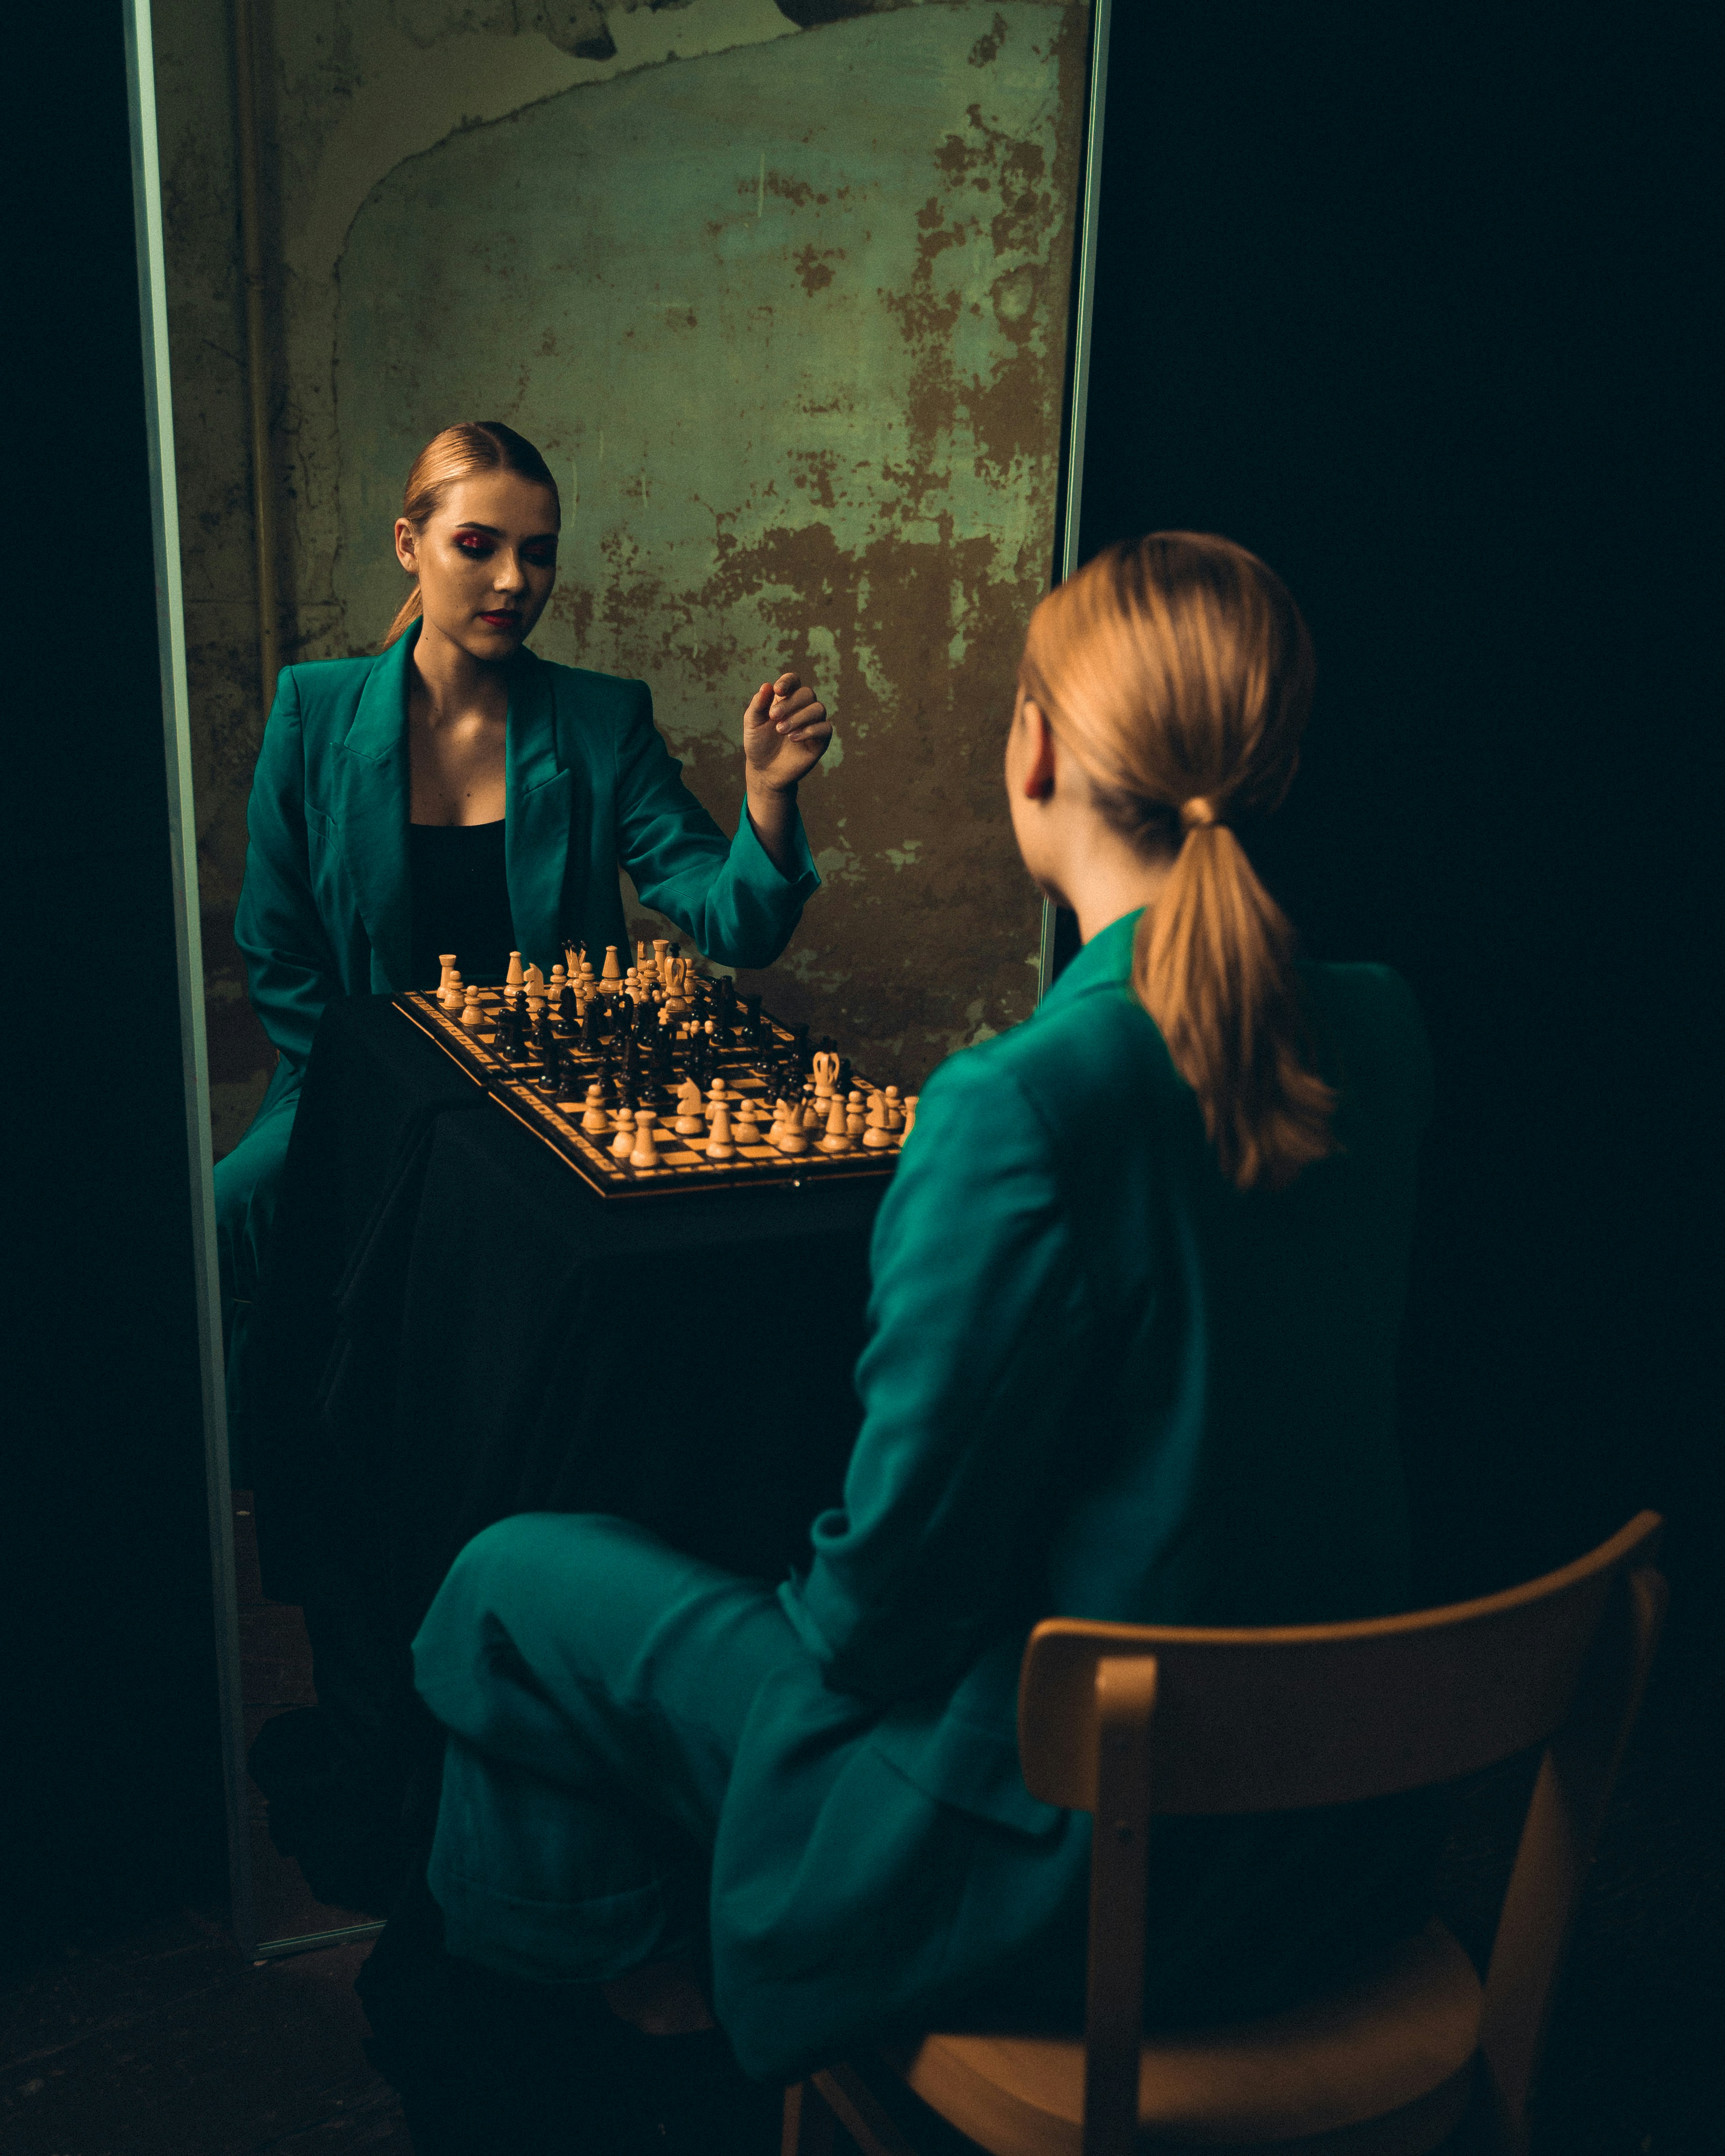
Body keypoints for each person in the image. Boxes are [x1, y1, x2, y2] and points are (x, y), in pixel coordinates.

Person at [364, 534, 1440, 2150]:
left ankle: (569, 2059)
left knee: (510, 1580)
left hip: (1070, 1864)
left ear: (1038, 750)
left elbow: (874, 1624)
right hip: (1336, 1839)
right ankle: (661, 1992)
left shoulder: (1014, 1105)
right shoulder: (1382, 1023)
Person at [215, 420, 830, 1458]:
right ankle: (272, 1473)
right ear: (411, 545)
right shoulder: (312, 712)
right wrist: (398, 1102)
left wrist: (768, 796)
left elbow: (736, 922)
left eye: (538, 552)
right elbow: (277, 953)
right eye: (478, 545)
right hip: (353, 1081)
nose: (514, 579)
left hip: (561, 1086)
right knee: (232, 1208)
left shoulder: (600, 721)